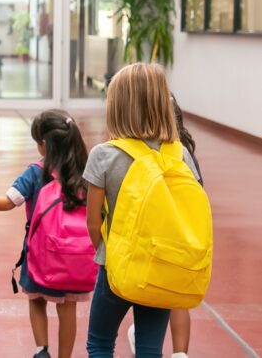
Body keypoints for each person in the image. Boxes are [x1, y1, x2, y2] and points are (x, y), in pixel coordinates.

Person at [84, 63, 202, 358]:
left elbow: (92, 221)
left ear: (117, 106)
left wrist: (108, 251)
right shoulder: (180, 153)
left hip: (116, 268)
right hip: (160, 266)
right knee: (150, 349)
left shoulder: (104, 155)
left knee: (100, 343)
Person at [0, 109, 91, 358]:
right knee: (67, 307)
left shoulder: (36, 172)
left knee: (36, 299)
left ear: (44, 145)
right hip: (75, 256)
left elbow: (9, 201)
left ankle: (42, 350)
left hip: (41, 252)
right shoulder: (85, 171)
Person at [127, 92, 203, 358]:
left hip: (152, 238)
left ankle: (143, 336)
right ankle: (180, 353)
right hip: (182, 237)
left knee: (147, 292)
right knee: (177, 297)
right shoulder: (185, 154)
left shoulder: (143, 151)